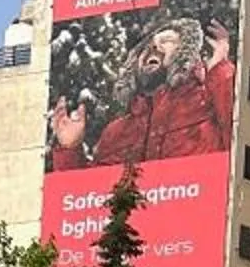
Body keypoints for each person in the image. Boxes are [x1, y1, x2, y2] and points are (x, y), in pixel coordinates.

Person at [50, 18, 238, 169]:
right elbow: (89, 197)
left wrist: (220, 70)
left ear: (186, 53)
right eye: (147, 47)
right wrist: (70, 150)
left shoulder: (208, 102)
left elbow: (241, 140)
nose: (154, 47)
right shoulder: (116, 132)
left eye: (167, 41)